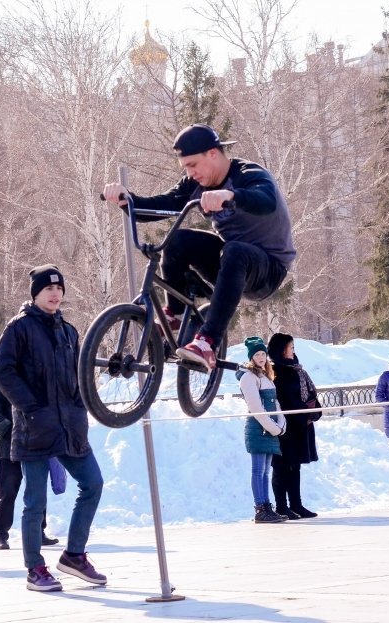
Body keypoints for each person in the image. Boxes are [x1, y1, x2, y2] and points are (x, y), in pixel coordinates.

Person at [102, 123, 295, 371]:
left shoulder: (248, 174)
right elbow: (160, 205)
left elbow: (266, 201)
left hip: (268, 270)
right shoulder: (195, 185)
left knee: (236, 250)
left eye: (192, 165)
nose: (190, 173)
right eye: (185, 168)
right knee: (178, 240)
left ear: (213, 153)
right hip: (230, 263)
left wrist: (231, 196)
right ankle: (176, 312)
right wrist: (126, 199)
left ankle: (208, 342)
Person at [0, 265, 106, 592]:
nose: (55, 294)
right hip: (35, 428)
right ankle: (35, 568)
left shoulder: (69, 331)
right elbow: (1, 370)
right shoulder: (19, 328)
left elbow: (82, 374)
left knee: (93, 483)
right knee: (35, 502)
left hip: (70, 427)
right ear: (35, 293)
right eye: (48, 289)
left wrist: (80, 406)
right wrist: (30, 407)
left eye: (59, 289)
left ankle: (74, 556)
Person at [0, 380, 61, 550]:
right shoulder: (0, 378)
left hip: (34, 442)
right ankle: (1, 534)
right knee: (7, 490)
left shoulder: (34, 375)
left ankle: (38, 532)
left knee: (37, 489)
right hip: (8, 444)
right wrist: (5, 428)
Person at [266, 333, 319, 520]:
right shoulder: (274, 371)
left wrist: (314, 411)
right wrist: (304, 414)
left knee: (295, 466)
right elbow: (284, 399)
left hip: (301, 425)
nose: (293, 351)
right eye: (290, 347)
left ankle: (296, 505)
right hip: (286, 427)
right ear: (281, 349)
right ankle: (281, 506)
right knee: (281, 467)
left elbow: (310, 392)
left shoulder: (297, 369)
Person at [236, 336, 287, 524]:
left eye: (263, 353)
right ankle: (260, 508)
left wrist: (281, 425)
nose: (261, 357)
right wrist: (274, 428)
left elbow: (276, 404)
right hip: (258, 429)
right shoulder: (248, 378)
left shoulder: (265, 376)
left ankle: (267, 507)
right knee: (258, 470)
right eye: (256, 354)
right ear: (251, 357)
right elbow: (257, 409)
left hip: (270, 430)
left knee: (266, 471)